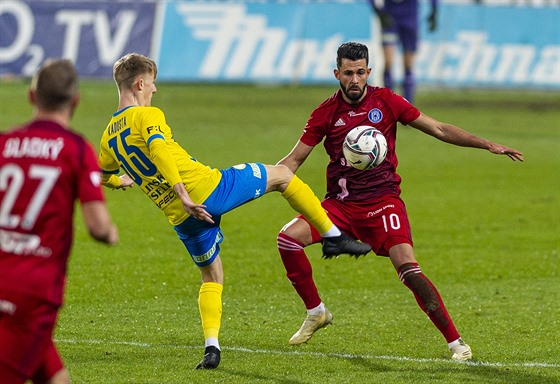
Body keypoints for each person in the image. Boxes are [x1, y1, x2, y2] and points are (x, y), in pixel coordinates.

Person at [97, 53, 371, 370]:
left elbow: (99, 173)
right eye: (153, 83)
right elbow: (158, 148)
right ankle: (332, 236)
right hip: (207, 190)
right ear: (140, 83)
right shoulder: (146, 116)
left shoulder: (108, 138)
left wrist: (119, 180)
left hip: (182, 218)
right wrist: (182, 191)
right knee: (282, 176)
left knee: (211, 276)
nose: (155, 90)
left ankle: (211, 348)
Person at [276, 42, 524, 360]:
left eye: (360, 72)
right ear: (337, 73)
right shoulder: (326, 113)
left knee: (410, 270)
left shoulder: (387, 101)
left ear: (369, 72)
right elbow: (293, 161)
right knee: (287, 240)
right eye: (348, 73)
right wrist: (260, 181)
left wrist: (487, 144)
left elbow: (438, 128)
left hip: (384, 204)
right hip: (339, 206)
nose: (355, 79)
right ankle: (316, 311)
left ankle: (456, 344)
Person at [0, 59, 119, 384]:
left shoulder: (4, 143)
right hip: (32, 293)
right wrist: (110, 233)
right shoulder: (76, 149)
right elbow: (98, 227)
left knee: (56, 378)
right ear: (75, 100)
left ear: (31, 96)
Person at [368, 0, 438, 104]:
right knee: (388, 62)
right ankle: (388, 102)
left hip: (410, 19)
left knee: (408, 65)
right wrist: (378, 11)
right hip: (390, 19)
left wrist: (434, 10)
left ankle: (408, 105)